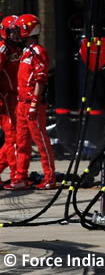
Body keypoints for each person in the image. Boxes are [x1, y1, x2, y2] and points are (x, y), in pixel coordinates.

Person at [7, 14, 56, 190]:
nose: (16, 33)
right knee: (21, 143)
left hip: (32, 103)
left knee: (40, 141)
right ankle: (20, 178)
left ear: (28, 29)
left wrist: (35, 104)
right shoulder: (25, 52)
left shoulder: (38, 51)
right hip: (21, 103)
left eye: (18, 29)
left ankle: (50, 178)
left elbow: (41, 80)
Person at [0, 15, 20, 186]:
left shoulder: (18, 49)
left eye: (17, 31)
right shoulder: (3, 50)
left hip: (16, 97)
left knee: (15, 138)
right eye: (12, 31)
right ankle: (16, 176)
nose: (15, 34)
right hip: (6, 98)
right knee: (12, 137)